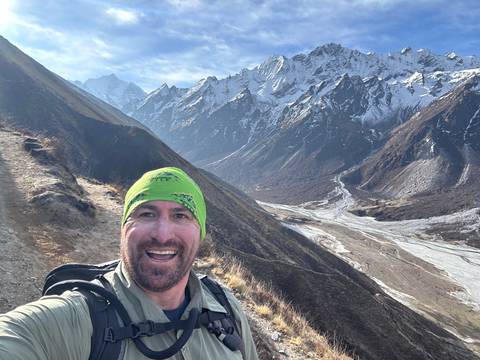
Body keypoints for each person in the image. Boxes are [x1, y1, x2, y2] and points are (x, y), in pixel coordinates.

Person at [0, 167, 259, 360]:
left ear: (200, 233)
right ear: (124, 229)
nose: (163, 234)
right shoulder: (80, 318)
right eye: (146, 214)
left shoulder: (224, 304)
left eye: (181, 215)